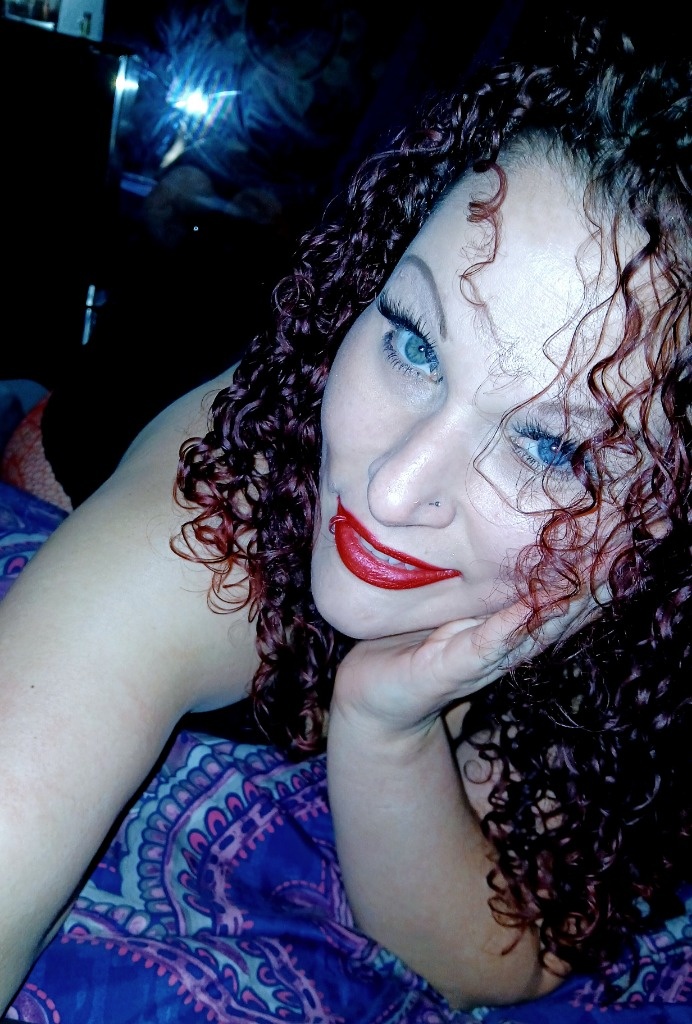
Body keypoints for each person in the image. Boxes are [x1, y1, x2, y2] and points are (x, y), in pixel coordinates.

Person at [1, 6, 691, 1019]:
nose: (392, 489)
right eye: (414, 341)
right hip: (95, 427)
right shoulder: (219, 519)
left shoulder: (647, 621)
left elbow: (507, 952)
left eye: (549, 446)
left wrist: (383, 724)